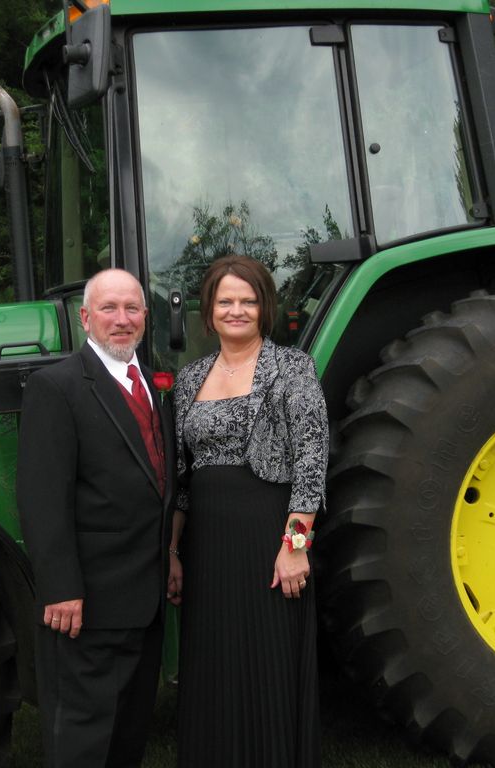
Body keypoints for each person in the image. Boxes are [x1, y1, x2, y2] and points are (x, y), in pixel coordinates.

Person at [17, 268, 181, 768]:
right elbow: (41, 496)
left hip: (144, 596)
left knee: (130, 730)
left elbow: (159, 486)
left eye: (132, 309)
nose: (121, 319)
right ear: (85, 318)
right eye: (108, 309)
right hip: (86, 600)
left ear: (146, 318)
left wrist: (168, 557)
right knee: (84, 735)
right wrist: (61, 586)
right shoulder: (57, 387)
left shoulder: (154, 386)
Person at [171, 254, 328, 768]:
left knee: (268, 662)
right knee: (215, 663)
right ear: (208, 311)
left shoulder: (292, 368)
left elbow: (311, 460)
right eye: (225, 301)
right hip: (207, 546)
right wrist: (173, 551)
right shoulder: (189, 378)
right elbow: (181, 480)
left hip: (270, 537)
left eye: (248, 300)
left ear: (265, 307)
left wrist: (295, 548)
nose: (236, 310)